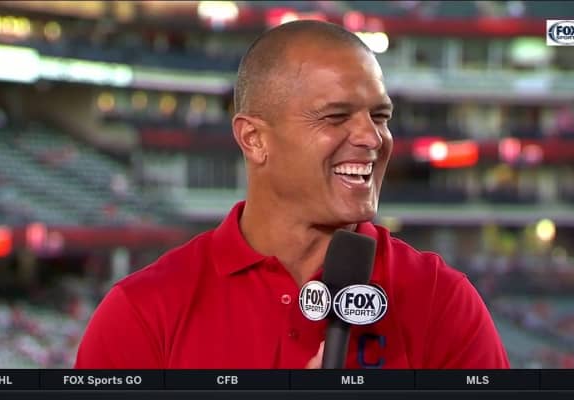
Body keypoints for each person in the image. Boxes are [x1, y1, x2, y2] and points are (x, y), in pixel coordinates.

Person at [75, 20, 509, 369]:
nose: (371, 138)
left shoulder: (440, 301)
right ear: (254, 139)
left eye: (380, 116)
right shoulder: (144, 312)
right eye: (335, 117)